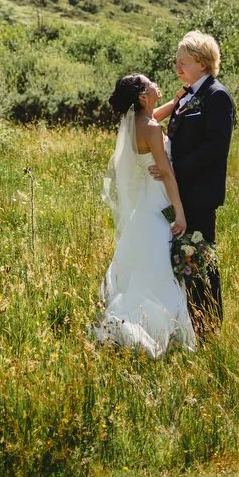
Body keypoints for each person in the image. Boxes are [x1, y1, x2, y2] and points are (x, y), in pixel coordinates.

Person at [90, 73, 196, 357]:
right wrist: (180, 213)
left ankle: (138, 320)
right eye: (150, 84)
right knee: (159, 264)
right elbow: (167, 173)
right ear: (142, 96)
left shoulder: (138, 123)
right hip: (159, 196)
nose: (155, 84)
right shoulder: (150, 127)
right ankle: (157, 327)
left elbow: (154, 117)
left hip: (146, 200)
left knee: (146, 263)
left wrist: (176, 100)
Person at [150, 31, 232, 337]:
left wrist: (173, 168)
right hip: (178, 193)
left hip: (199, 195)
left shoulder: (217, 96)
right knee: (183, 260)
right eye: (177, 62)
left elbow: (216, 147)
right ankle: (188, 325)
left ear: (201, 63)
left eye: (182, 62)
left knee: (201, 260)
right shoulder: (186, 94)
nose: (177, 68)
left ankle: (209, 328)